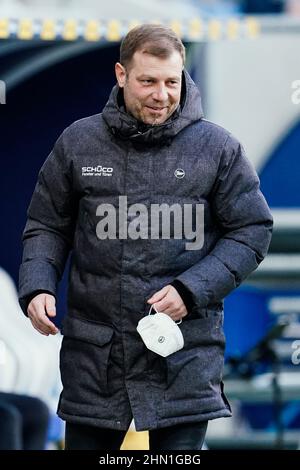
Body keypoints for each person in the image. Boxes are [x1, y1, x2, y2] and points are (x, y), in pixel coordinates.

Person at [18, 24, 273, 450]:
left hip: (183, 358)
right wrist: (38, 285)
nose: (162, 95)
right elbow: (46, 224)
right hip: (95, 359)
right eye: (148, 82)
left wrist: (190, 290)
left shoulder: (218, 148)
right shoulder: (78, 143)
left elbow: (251, 230)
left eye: (171, 82)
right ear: (121, 75)